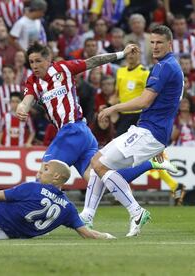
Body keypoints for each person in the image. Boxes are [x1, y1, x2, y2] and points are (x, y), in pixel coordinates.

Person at [15, 41, 176, 235]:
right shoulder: (32, 81)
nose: (34, 65)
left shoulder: (63, 68)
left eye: (38, 61)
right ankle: (148, 164)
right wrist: (21, 109)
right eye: (31, 62)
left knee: (44, 175)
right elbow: (26, 101)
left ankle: (34, 224)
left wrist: (121, 54)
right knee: (101, 178)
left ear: (49, 60)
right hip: (81, 135)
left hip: (72, 129)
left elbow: (93, 61)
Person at [81, 25, 183, 237]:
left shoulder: (164, 67)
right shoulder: (169, 66)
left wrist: (113, 107)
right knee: (98, 161)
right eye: (152, 42)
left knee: (100, 165)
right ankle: (88, 215)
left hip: (150, 132)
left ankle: (136, 211)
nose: (154, 46)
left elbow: (145, 101)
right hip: (149, 129)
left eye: (159, 43)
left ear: (169, 44)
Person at [115, 42, 150, 136]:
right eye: (129, 52)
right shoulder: (120, 71)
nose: (131, 55)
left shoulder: (144, 73)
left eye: (134, 52)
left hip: (137, 114)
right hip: (122, 113)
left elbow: (148, 96)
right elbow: (117, 93)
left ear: (140, 54)